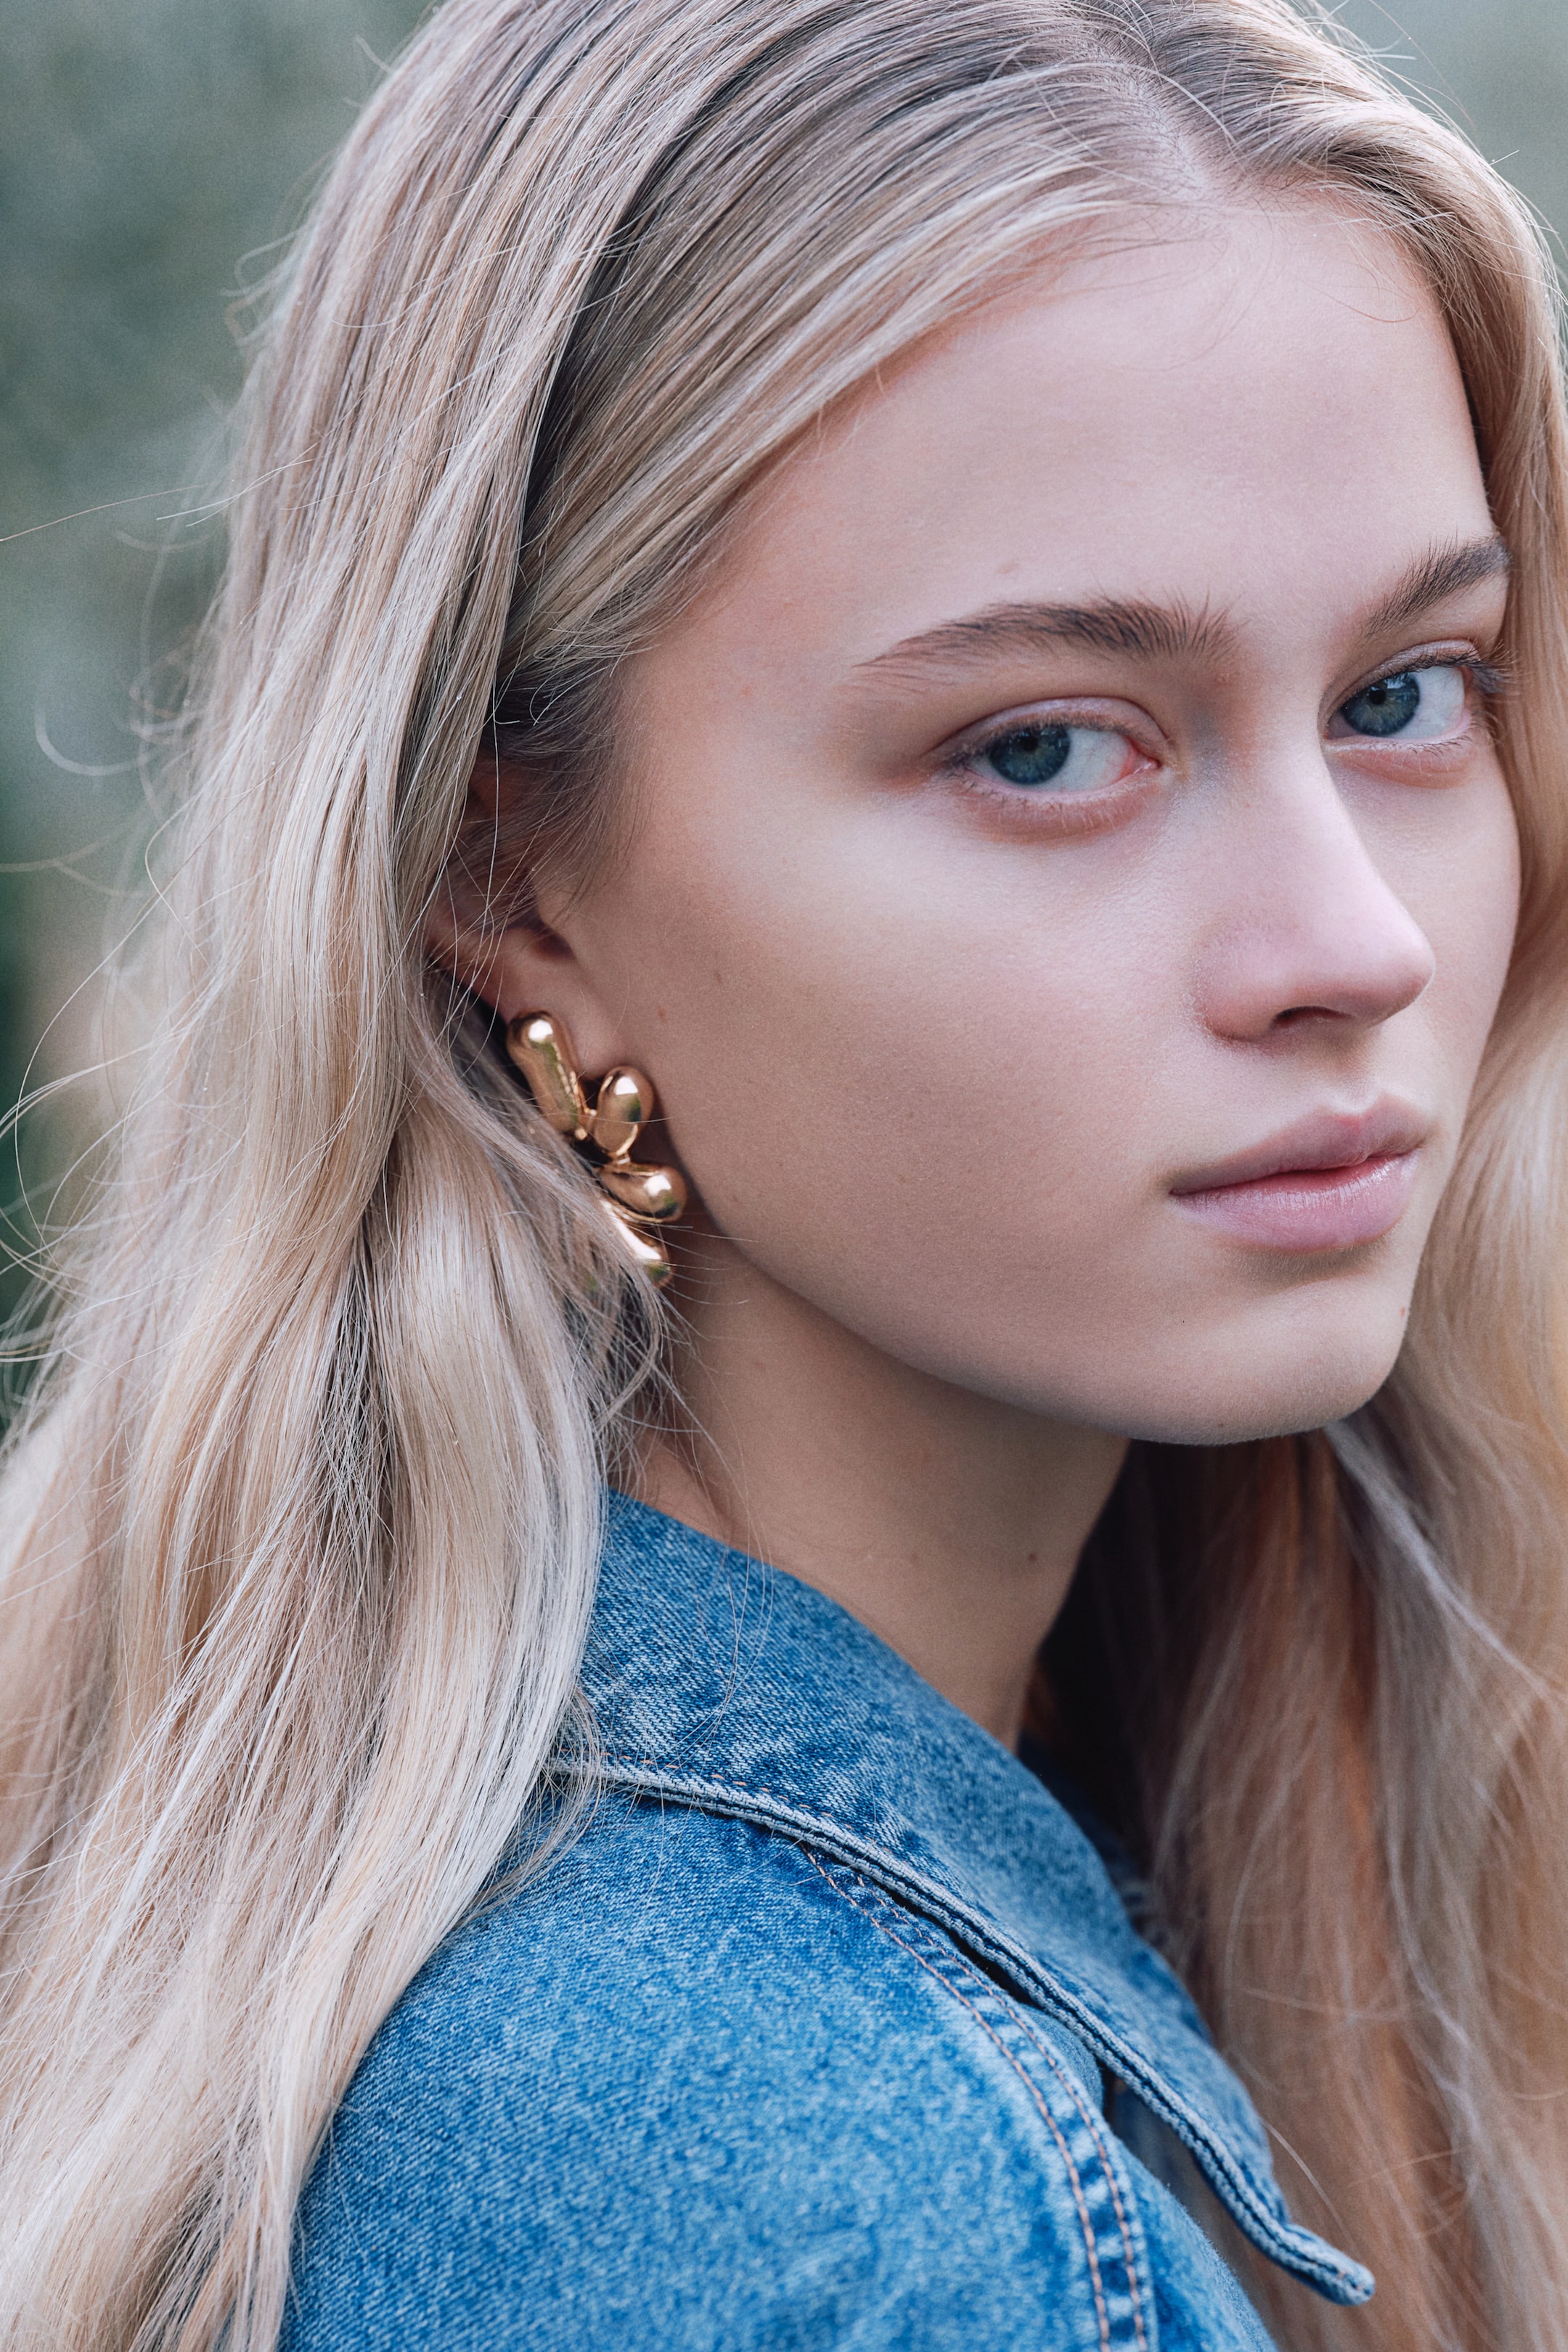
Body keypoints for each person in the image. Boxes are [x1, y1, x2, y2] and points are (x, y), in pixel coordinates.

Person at [4, 0, 1568, 2344]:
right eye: (1048, 745)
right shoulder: (848, 2197)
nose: (1350, 943)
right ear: (507, 877)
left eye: (1404, 695)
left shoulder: (413, 1915)